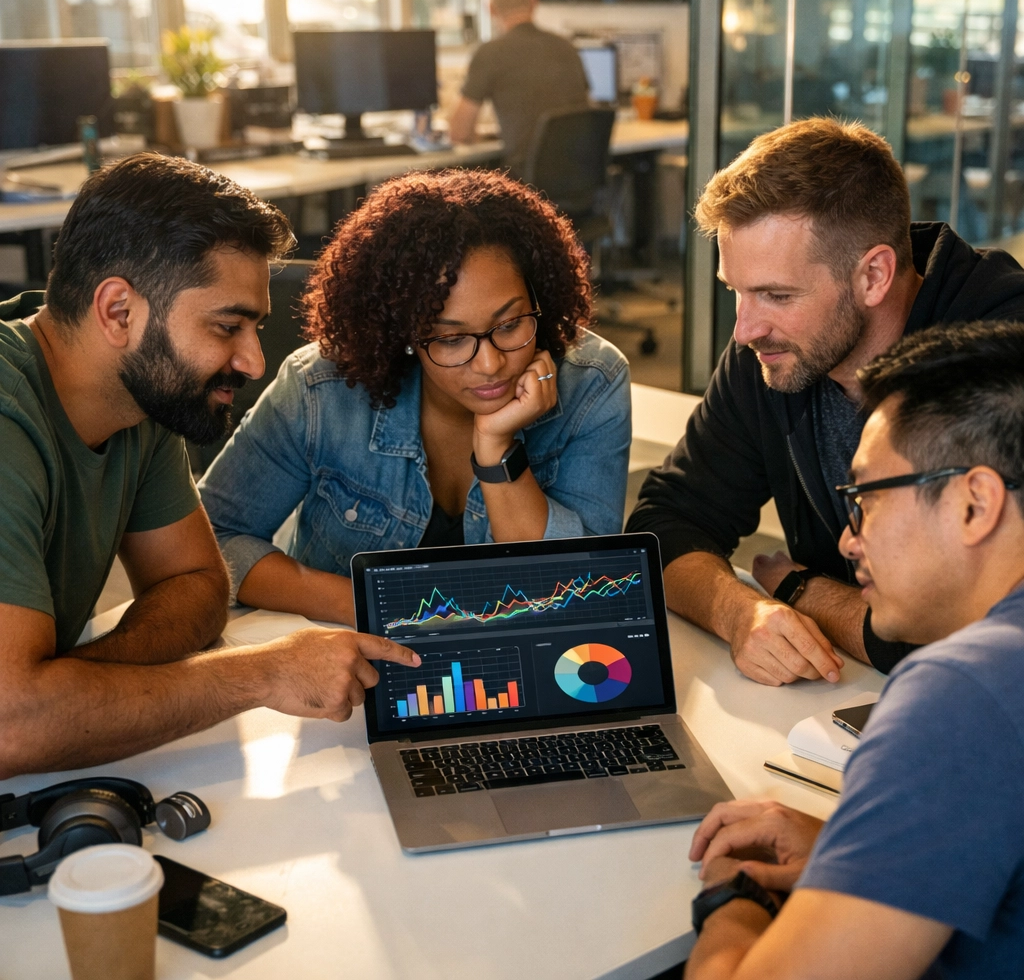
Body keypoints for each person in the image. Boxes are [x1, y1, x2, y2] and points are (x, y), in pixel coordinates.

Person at [0, 153, 421, 780]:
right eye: (227, 327)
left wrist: (77, 692)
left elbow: (199, 584)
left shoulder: (138, 402)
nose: (253, 361)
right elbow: (15, 725)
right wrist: (264, 672)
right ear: (119, 312)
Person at [627, 117, 1024, 686]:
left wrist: (798, 589)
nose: (744, 329)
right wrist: (739, 610)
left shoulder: (999, 352)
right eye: (736, 292)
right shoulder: (774, 351)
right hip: (844, 697)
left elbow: (985, 629)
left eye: (776, 295)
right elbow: (666, 525)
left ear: (874, 275)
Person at [684, 321, 1024, 980]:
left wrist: (736, 898)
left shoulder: (962, 694)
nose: (847, 540)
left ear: (974, 504)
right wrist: (847, 857)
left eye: (864, 496)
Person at [198, 169, 630, 627]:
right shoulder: (321, 388)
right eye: (450, 340)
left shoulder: (593, 383)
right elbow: (212, 539)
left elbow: (581, 590)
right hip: (342, 661)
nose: (488, 365)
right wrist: (377, 609)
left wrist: (497, 449)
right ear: (403, 335)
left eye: (509, 325)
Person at [449, 0, 590, 179]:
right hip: (580, 183)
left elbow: (459, 133)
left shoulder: (489, 53)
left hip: (527, 195)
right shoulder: (567, 48)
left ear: (491, 9)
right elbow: (585, 113)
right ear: (534, 1)